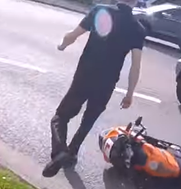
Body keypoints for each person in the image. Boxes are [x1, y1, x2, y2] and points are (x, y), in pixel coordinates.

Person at [42, 0, 146, 178]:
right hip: (107, 82)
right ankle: (72, 152)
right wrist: (129, 93)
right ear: (135, 2)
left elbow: (73, 35)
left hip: (85, 75)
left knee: (60, 116)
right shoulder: (137, 29)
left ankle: (60, 150)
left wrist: (62, 46)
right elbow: (135, 66)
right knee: (88, 119)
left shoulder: (101, 11)